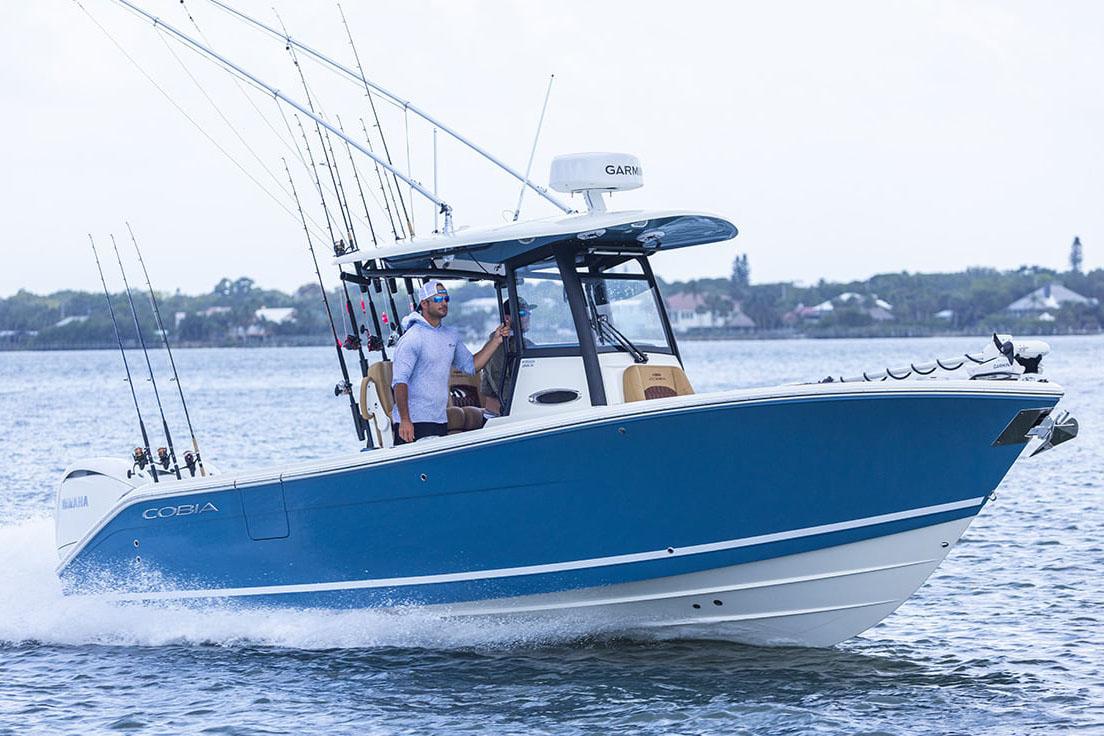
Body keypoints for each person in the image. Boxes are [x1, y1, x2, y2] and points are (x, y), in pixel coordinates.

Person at [391, 281, 508, 445]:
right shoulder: (412, 338)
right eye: (438, 299)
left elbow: (471, 366)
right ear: (424, 303)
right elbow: (399, 382)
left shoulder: (450, 335)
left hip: (439, 419)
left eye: (446, 298)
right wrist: (405, 420)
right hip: (413, 422)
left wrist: (495, 340)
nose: (444, 303)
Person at [481, 297, 535, 414]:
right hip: (501, 414)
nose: (528, 317)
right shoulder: (498, 345)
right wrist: (516, 408)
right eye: (522, 313)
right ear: (507, 318)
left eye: (529, 312)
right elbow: (499, 380)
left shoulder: (524, 343)